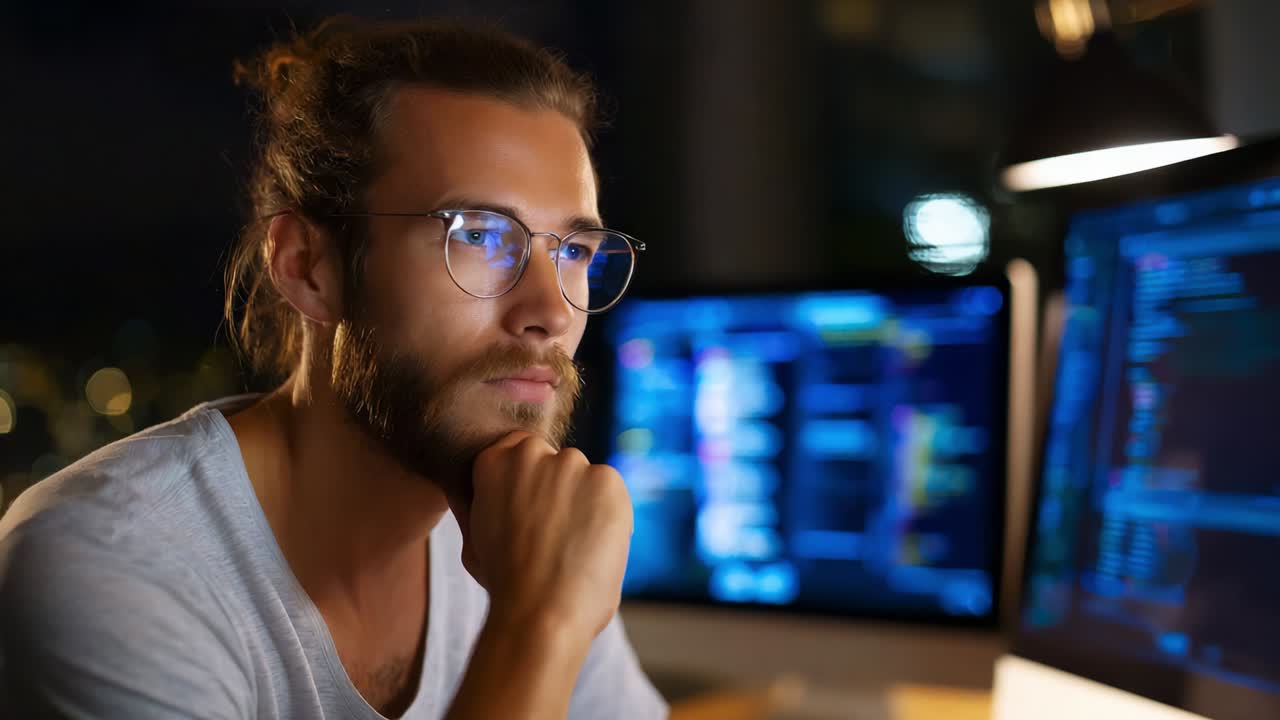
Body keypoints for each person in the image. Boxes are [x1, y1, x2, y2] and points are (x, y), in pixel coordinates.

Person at [0, 16, 666, 720]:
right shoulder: (111, 563)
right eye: (479, 236)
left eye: (574, 253)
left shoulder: (525, 528)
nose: (552, 312)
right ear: (307, 268)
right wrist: (540, 623)